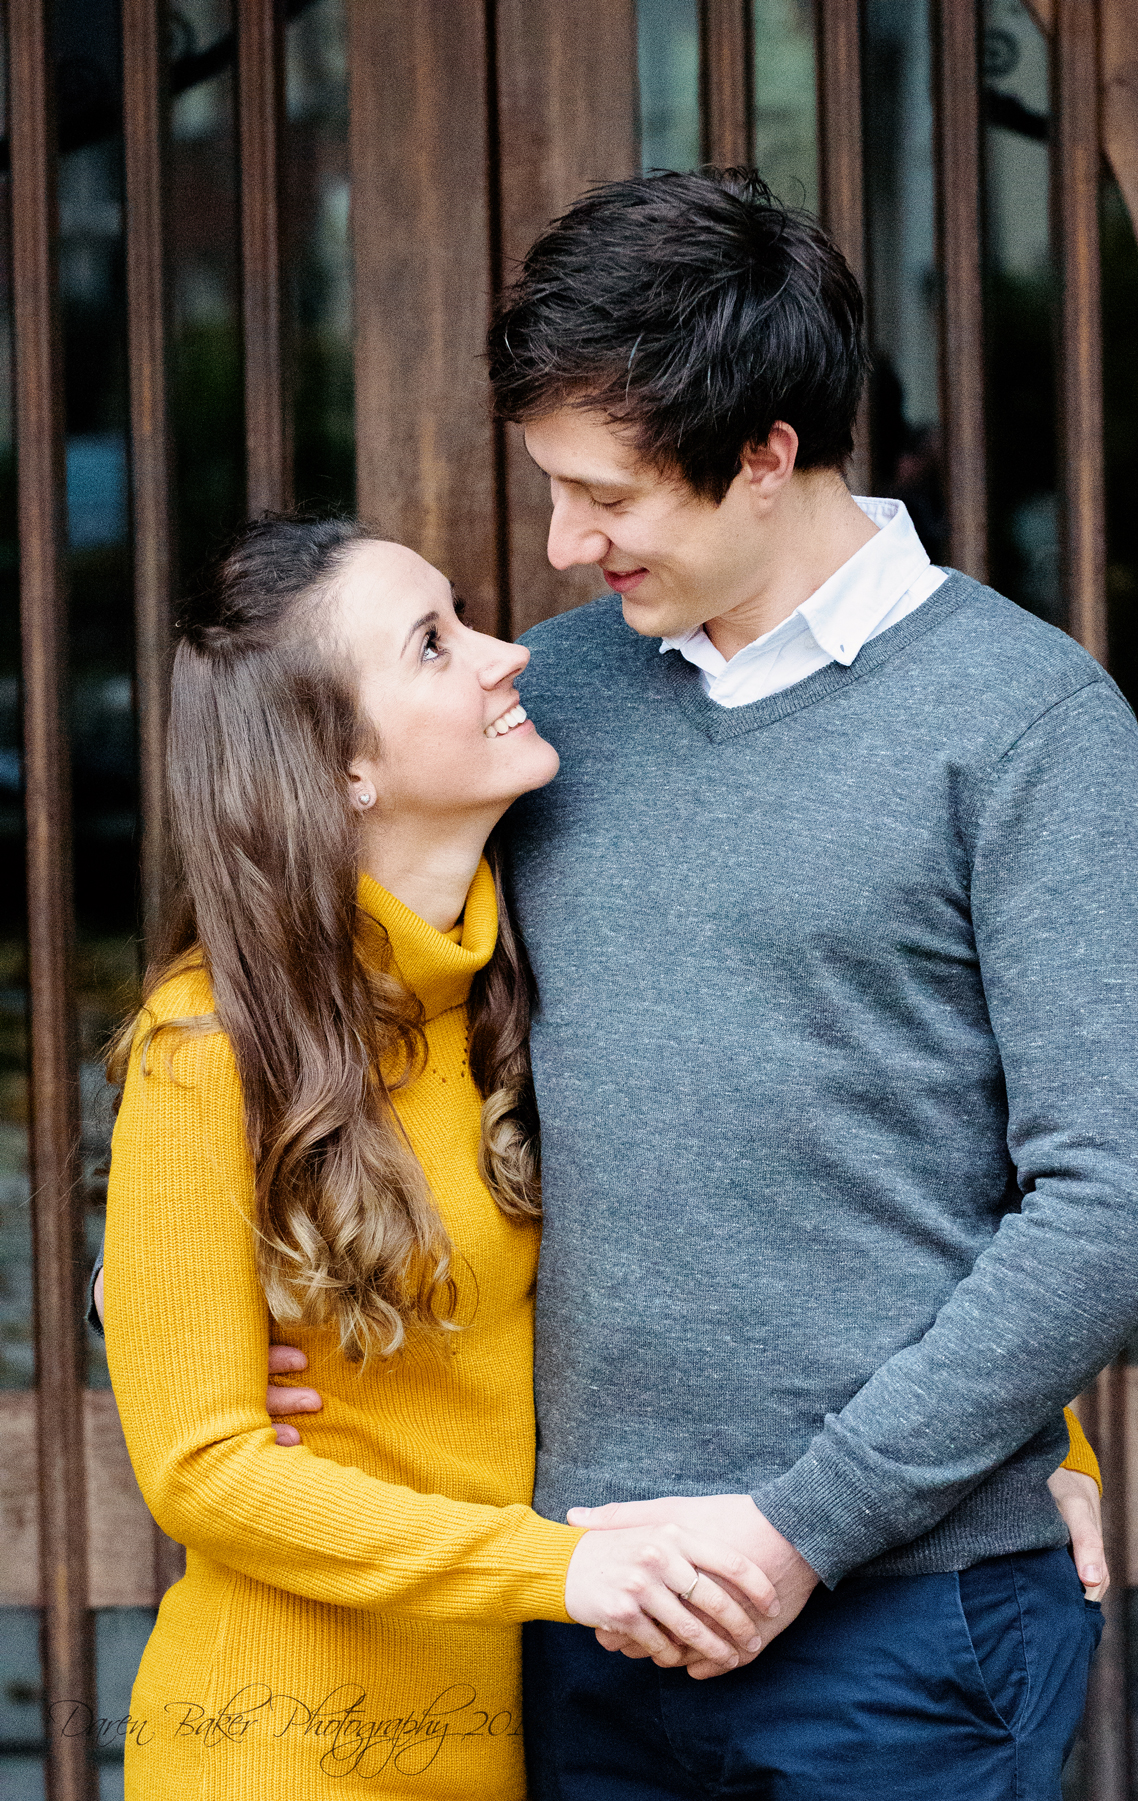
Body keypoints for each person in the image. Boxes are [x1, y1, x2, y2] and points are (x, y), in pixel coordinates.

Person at [476, 169, 1138, 1796]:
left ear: (768, 454)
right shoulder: (548, 697)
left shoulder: (1026, 723)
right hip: (583, 1605)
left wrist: (808, 1528)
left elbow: (1117, 1202)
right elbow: (392, 1022)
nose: (560, 544)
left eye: (607, 496)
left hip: (902, 1629)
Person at [98, 514, 781, 1801]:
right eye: (432, 643)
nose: (506, 652)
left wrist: (1034, 1455)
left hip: (493, 1737)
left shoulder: (528, 979)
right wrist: (560, 1568)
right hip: (276, 1747)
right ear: (341, 764)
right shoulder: (207, 1045)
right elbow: (200, 1466)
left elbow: (781, 1197)